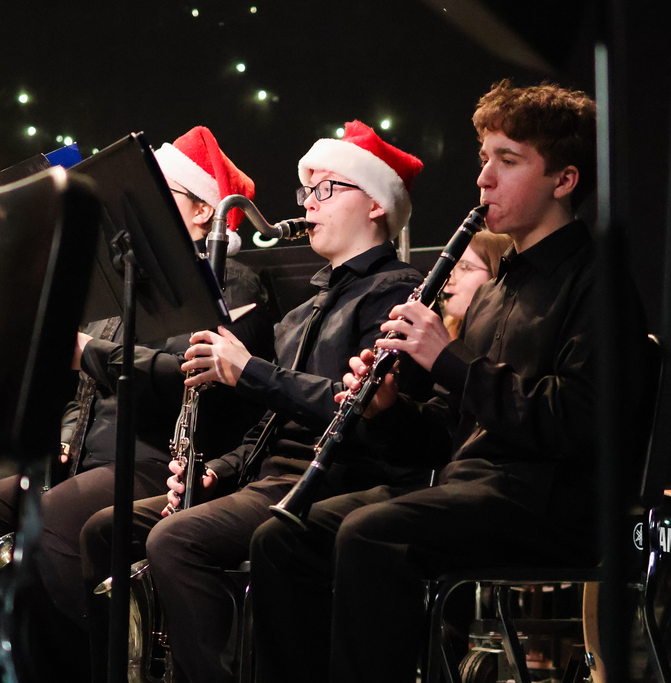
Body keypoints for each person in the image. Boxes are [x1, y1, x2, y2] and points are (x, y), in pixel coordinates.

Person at [248, 79, 649, 683]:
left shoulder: (598, 283)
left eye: (507, 161)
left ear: (564, 180)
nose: (483, 178)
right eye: (484, 159)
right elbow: (442, 435)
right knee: (284, 537)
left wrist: (450, 360)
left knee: (372, 535)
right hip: (473, 489)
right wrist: (386, 410)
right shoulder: (493, 293)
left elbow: (574, 420)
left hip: (553, 501)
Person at [80, 120, 432, 683]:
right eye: (306, 190)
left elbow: (355, 408)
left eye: (326, 189)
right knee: (107, 528)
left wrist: (249, 370)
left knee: (176, 541)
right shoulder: (303, 311)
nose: (308, 203)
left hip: (338, 479)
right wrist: (218, 472)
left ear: (375, 204)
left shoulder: (396, 291)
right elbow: (271, 424)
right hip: (272, 478)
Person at [0, 126, 276, 683]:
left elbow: (186, 379)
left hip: (153, 459)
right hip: (89, 458)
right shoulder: (125, 282)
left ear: (202, 213)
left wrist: (88, 352)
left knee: (49, 527)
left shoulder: (232, 282)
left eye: (165, 194)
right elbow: (85, 389)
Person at [440, 231, 511, 338]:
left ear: (497, 275)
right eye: (449, 268)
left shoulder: (508, 337)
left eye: (464, 268)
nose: (450, 280)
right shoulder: (446, 331)